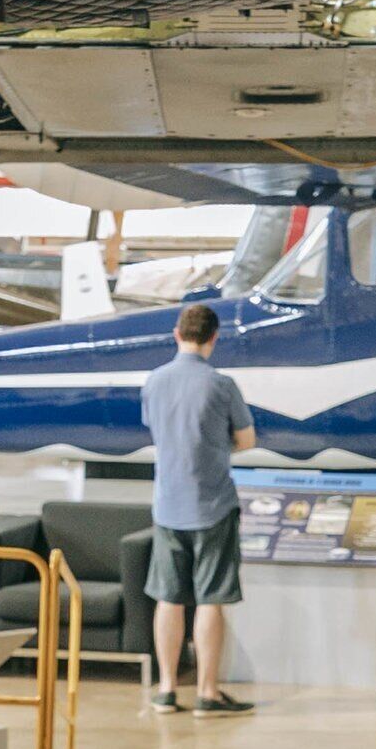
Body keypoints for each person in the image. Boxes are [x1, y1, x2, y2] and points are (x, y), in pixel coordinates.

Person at [140, 301, 256, 714]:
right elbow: (246, 441)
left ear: (177, 334)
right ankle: (208, 691)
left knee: (168, 598)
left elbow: (155, 431)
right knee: (211, 598)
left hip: (167, 506)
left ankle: (167, 688)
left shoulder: (154, 382)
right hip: (213, 506)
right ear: (214, 338)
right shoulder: (221, 385)